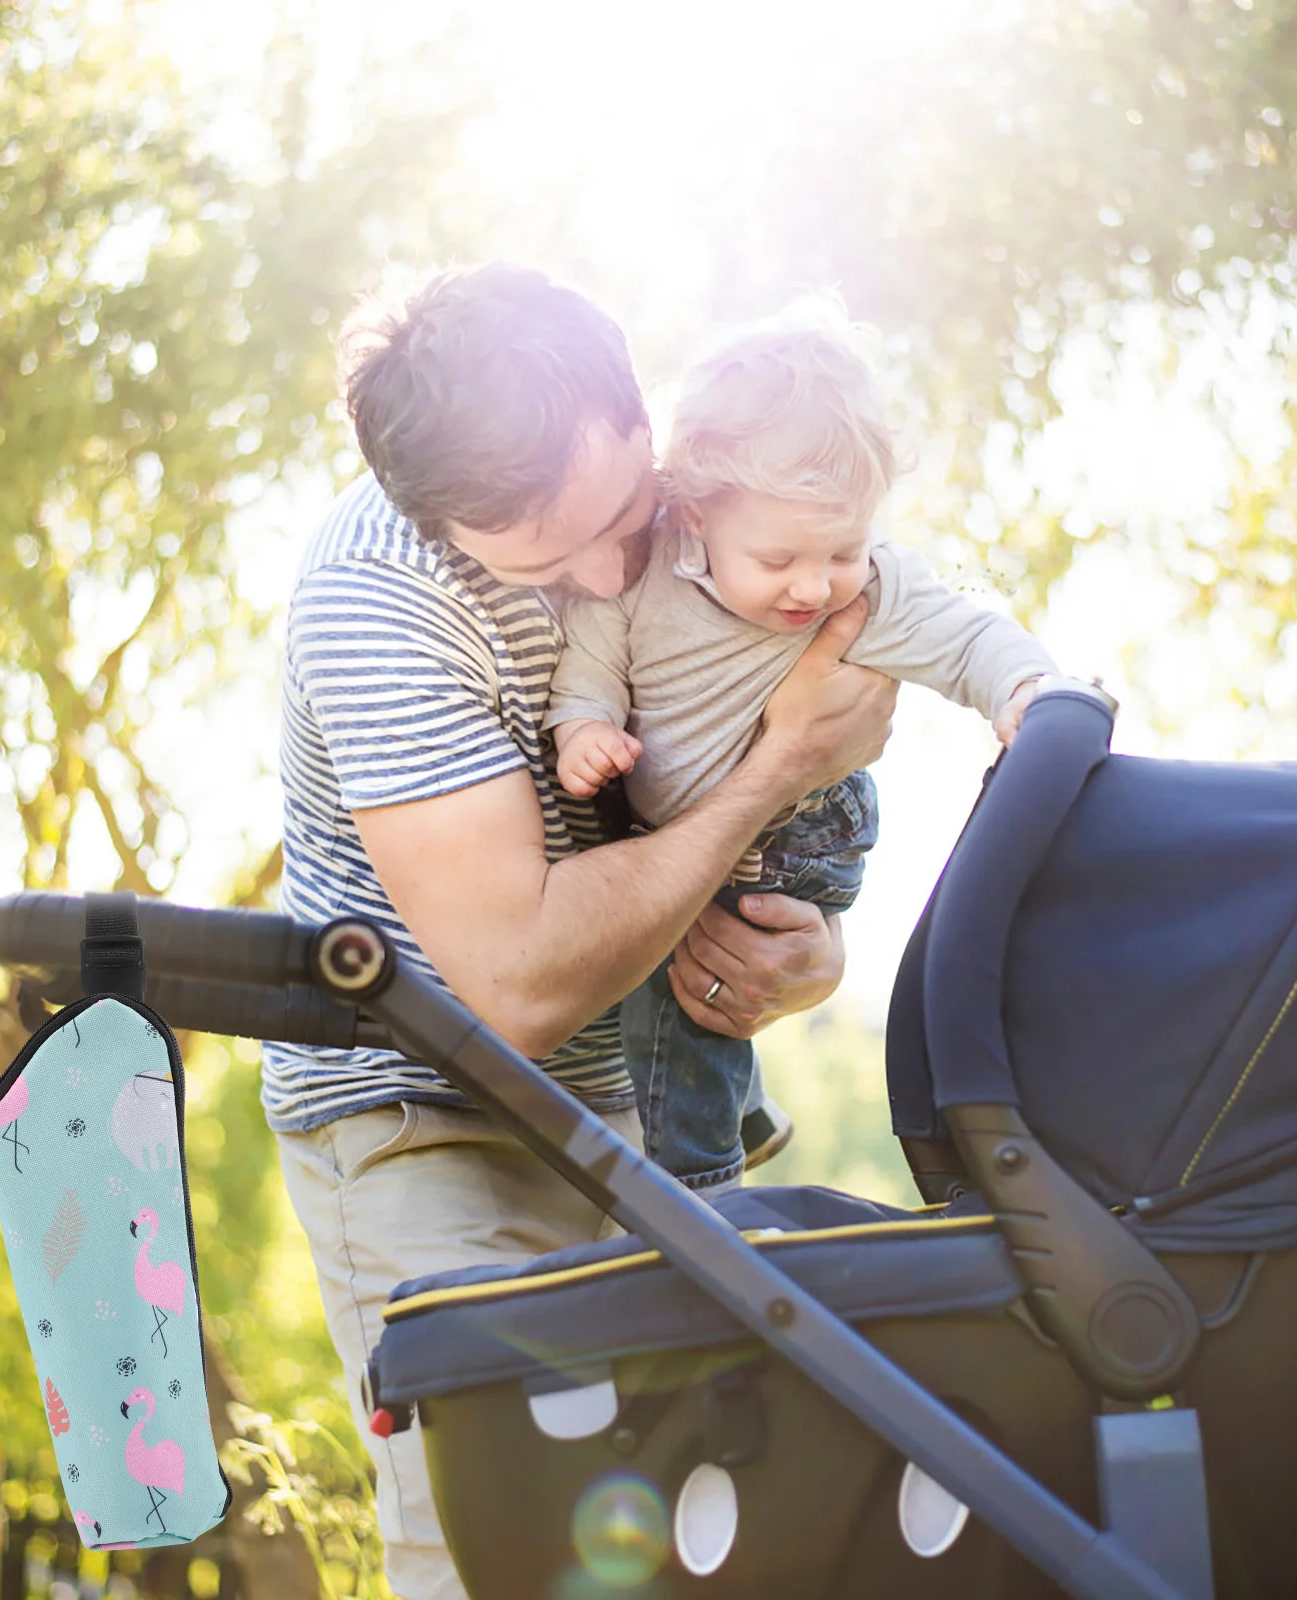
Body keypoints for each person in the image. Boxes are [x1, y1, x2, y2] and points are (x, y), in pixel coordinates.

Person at [262, 263, 898, 1599]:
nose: (610, 568)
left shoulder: (701, 493)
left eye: (620, 514)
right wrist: (771, 773)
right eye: (546, 563)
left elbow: (746, 826)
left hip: (640, 1118)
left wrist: (805, 953)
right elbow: (522, 985)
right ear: (437, 517)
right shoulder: (380, 600)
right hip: (428, 1115)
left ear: (634, 414)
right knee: (494, 1547)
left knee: (693, 1544)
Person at [547, 302, 1059, 1195]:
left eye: (844, 550)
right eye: (781, 557)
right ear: (698, 514)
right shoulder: (646, 573)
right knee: (668, 956)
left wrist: (1025, 692)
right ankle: (741, 1119)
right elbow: (593, 653)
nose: (816, 585)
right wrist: (583, 725)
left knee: (677, 984)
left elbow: (970, 637)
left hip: (803, 829)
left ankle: (697, 1190)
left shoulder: (872, 591)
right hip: (705, 822)